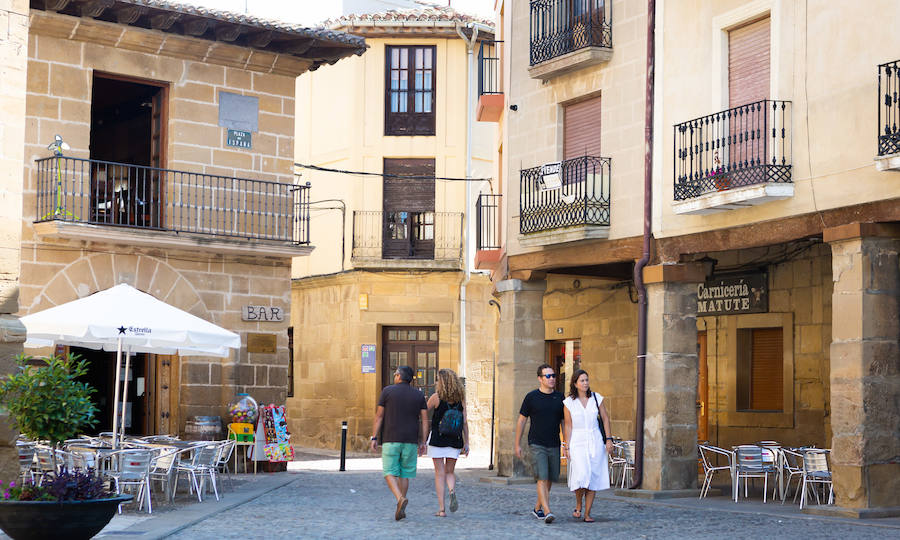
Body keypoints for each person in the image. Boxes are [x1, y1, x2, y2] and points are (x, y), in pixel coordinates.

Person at [370, 365, 428, 521]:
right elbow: (424, 420)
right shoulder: (418, 395)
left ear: (398, 376)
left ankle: (399, 499)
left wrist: (374, 437)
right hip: (410, 441)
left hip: (391, 438)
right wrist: (423, 442)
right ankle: (400, 504)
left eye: (395, 374)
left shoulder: (387, 391)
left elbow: (379, 416)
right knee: (405, 474)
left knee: (389, 472)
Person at [515, 363, 565, 524]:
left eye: (553, 376)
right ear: (540, 379)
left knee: (550, 478)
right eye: (548, 376)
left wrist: (566, 443)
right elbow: (521, 421)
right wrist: (517, 444)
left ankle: (537, 508)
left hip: (554, 443)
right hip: (536, 443)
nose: (552, 379)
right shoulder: (531, 397)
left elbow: (564, 422)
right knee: (542, 477)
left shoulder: (560, 398)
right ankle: (547, 511)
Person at [562, 369, 612, 522]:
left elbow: (605, 419)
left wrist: (608, 439)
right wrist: (567, 445)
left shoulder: (596, 398)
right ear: (575, 383)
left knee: (593, 476)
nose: (585, 383)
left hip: (595, 439)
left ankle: (587, 513)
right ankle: (578, 504)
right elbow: (568, 426)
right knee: (581, 475)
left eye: (586, 380)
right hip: (577, 441)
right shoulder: (569, 402)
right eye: (582, 380)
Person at [426, 368, 469, 517]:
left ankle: (441, 509)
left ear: (442, 382)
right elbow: (464, 422)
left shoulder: (436, 397)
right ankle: (452, 491)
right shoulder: (460, 399)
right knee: (450, 472)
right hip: (455, 440)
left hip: (438, 439)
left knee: (439, 473)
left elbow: (423, 411)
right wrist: (467, 442)